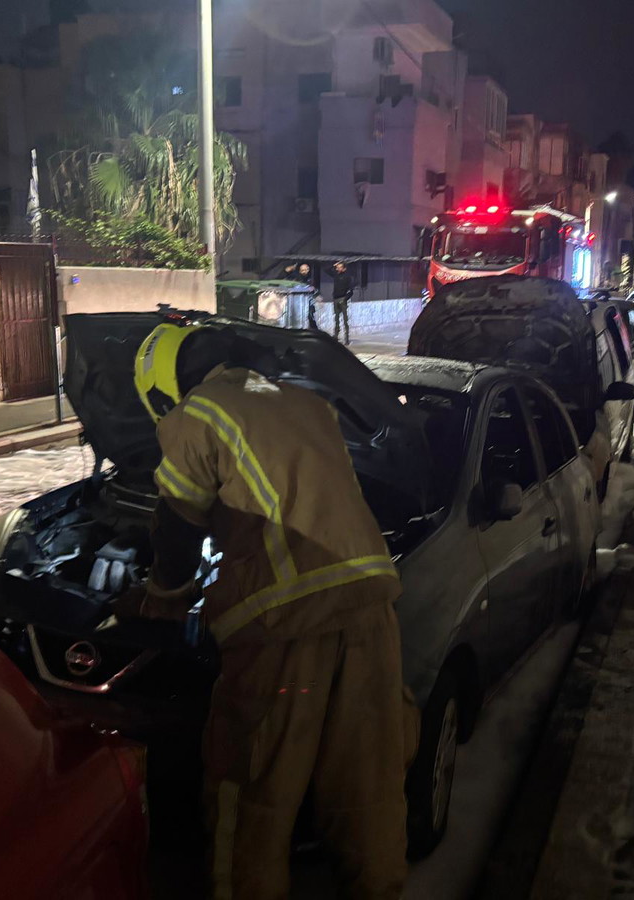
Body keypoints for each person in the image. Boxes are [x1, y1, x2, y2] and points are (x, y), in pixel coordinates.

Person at [127, 321, 416, 899]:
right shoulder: (302, 402)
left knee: (251, 790)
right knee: (368, 783)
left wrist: (162, 597)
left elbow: (177, 527)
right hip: (370, 606)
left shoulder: (198, 413)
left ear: (163, 388)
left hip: (283, 624)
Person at [331, 261, 355, 345]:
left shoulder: (348, 277)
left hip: (342, 299)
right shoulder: (336, 275)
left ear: (344, 268)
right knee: (336, 319)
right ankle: (336, 336)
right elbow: (326, 270)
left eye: (340, 267)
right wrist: (334, 265)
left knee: (345, 320)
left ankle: (346, 338)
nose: (338, 268)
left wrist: (345, 299)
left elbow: (351, 291)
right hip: (335, 299)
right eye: (338, 267)